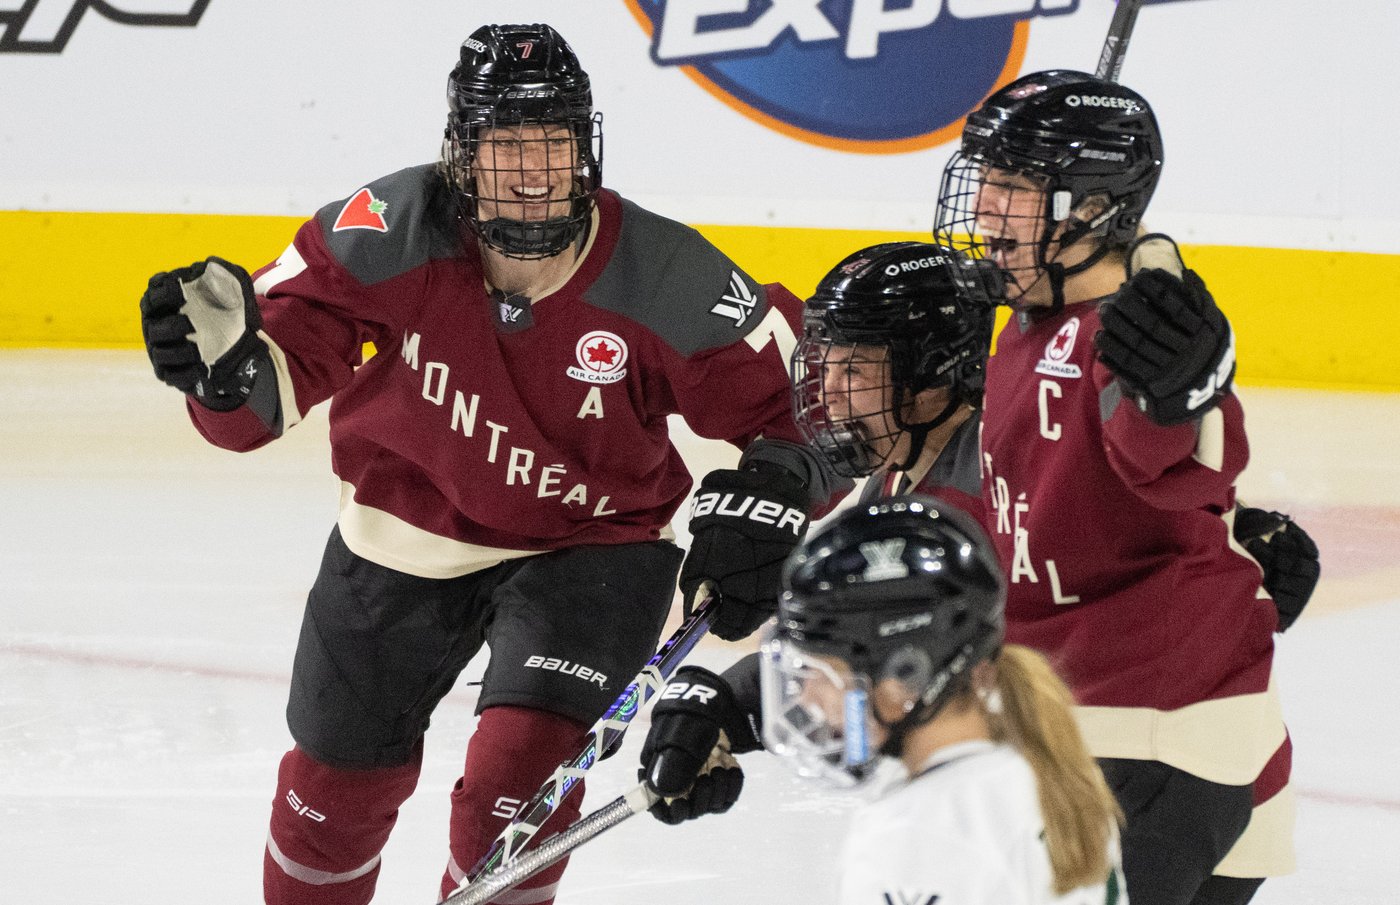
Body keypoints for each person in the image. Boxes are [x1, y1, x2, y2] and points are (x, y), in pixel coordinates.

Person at [137, 22, 846, 905]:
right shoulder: (391, 228)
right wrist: (224, 378)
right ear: (461, 154)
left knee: (514, 803)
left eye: (552, 143)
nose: (532, 171)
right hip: (400, 533)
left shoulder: (667, 276)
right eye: (505, 144)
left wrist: (778, 491)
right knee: (328, 799)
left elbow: (814, 410)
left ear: (586, 152)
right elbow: (258, 402)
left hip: (595, 548)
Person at [929, 69, 1298, 905]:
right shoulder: (1027, 325)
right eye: (986, 178)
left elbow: (1172, 452)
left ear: (1090, 208)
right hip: (1111, 726)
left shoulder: (1126, 339)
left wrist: (1175, 395)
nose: (985, 208)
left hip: (1157, 740)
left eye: (1014, 185)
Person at [672, 494, 1129, 903]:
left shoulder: (920, 833)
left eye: (821, 671)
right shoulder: (1042, 770)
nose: (808, 696)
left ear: (906, 672)